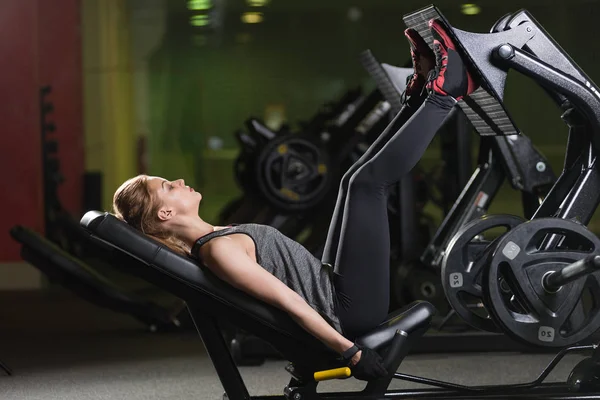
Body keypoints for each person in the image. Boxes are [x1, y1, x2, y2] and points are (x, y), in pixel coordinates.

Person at [112, 20, 478, 381]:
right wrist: (351, 352)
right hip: (346, 310)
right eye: (168, 187)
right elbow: (289, 303)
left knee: (352, 182)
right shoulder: (217, 252)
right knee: (369, 186)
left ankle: (418, 95)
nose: (178, 181)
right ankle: (447, 92)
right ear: (165, 212)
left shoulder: (214, 240)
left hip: (333, 288)